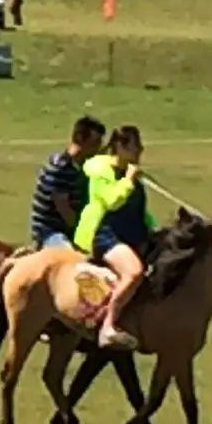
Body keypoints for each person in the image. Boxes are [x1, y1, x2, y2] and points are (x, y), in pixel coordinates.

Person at [71, 122, 158, 349]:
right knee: (134, 272)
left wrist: (154, 229)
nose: (139, 151)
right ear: (119, 146)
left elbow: (138, 209)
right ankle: (107, 327)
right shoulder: (101, 171)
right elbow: (111, 201)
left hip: (132, 234)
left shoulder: (131, 172)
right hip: (105, 234)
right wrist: (128, 180)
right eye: (134, 146)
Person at [28, 114, 103, 251]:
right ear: (80, 139)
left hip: (68, 229)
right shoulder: (61, 167)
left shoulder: (81, 166)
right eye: (95, 143)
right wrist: (84, 232)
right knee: (71, 257)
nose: (98, 149)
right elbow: (64, 209)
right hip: (49, 231)